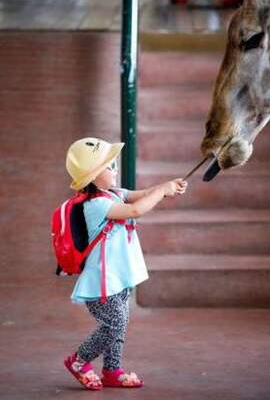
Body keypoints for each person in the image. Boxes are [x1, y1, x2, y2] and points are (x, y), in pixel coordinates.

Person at [62, 137, 187, 390]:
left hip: (119, 278)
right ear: (92, 175)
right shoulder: (95, 204)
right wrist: (161, 192)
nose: (115, 170)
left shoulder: (114, 193)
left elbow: (140, 196)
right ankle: (79, 360)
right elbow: (135, 210)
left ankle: (111, 370)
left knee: (119, 324)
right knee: (114, 324)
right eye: (110, 166)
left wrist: (166, 186)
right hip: (101, 283)